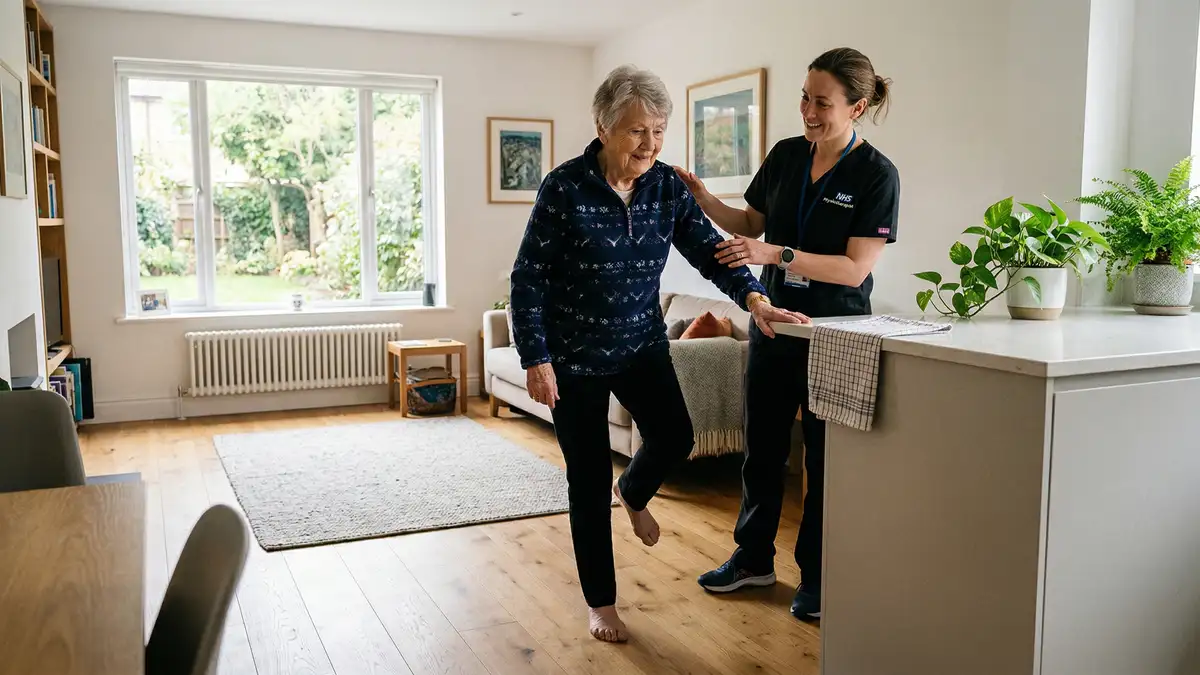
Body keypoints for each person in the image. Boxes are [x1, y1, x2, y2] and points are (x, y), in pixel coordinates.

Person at [508, 64, 808, 643]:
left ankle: (635, 491)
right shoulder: (564, 187)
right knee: (588, 482)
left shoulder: (665, 186)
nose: (650, 143)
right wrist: (536, 357)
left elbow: (707, 247)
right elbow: (529, 277)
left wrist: (754, 296)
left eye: (659, 130)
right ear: (603, 126)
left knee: (676, 435)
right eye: (637, 130)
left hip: (642, 343)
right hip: (573, 357)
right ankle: (602, 602)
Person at [680, 47, 900, 620]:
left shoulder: (877, 175)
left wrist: (777, 253)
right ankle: (752, 559)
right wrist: (704, 200)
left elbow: (855, 268)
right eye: (804, 96)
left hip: (836, 333)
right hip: (775, 324)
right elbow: (751, 224)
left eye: (821, 102)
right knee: (763, 450)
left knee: (824, 462)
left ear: (858, 105)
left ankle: (820, 579)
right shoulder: (783, 157)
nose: (807, 110)